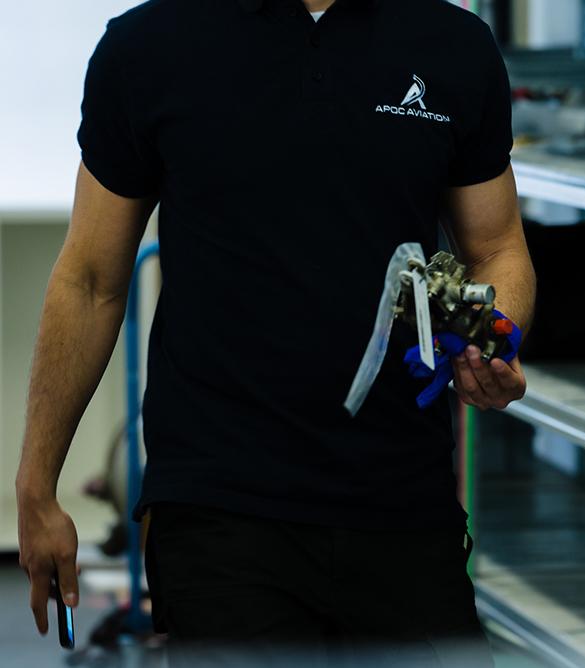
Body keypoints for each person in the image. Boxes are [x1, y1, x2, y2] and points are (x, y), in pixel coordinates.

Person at [15, 0, 535, 665]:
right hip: (221, 508)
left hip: (404, 504)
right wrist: (36, 488)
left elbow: (497, 247)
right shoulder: (150, 45)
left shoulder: (451, 45)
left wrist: (493, 335)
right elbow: (89, 279)